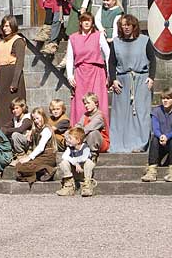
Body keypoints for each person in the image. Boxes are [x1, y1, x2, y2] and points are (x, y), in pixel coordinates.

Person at [109, 14, 156, 153]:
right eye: (123, 25)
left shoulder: (144, 41)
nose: (126, 27)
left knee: (140, 113)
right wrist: (113, 80)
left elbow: (152, 60)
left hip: (141, 81)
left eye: (128, 25)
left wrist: (151, 78)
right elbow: (111, 63)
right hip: (122, 82)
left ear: (134, 26)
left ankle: (140, 143)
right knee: (121, 115)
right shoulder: (116, 42)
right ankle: (120, 144)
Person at [65, 10, 111, 127]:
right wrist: (70, 75)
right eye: (83, 21)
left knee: (98, 102)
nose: (86, 23)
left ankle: (101, 134)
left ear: (92, 22)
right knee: (81, 104)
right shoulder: (73, 38)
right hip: (80, 74)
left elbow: (108, 54)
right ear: (80, 23)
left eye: (88, 20)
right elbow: (70, 58)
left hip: (97, 73)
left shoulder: (98, 36)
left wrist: (109, 74)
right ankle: (79, 133)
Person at [142, 87, 172, 183]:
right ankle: (151, 171)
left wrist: (167, 136)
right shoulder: (156, 111)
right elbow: (155, 128)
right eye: (163, 98)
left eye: (168, 98)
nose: (165, 101)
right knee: (154, 139)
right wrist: (161, 136)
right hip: (161, 141)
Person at [0, 14, 27, 133]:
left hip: (13, 75)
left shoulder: (18, 41)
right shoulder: (2, 42)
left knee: (14, 107)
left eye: (8, 25)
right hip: (3, 75)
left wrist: (15, 82)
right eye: (4, 26)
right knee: (3, 108)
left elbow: (19, 63)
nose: (5, 28)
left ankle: (15, 133)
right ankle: (3, 133)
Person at [12, 107, 57, 184]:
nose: (36, 121)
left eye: (37, 118)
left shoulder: (46, 130)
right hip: (40, 156)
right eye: (34, 119)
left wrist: (29, 157)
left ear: (43, 117)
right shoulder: (36, 130)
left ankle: (48, 169)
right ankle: (40, 173)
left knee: (23, 167)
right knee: (19, 165)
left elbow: (40, 147)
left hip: (47, 156)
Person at [55, 126, 96, 197]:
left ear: (78, 140)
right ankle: (69, 185)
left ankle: (87, 186)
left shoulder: (85, 148)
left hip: (83, 172)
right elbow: (64, 156)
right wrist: (75, 163)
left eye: (70, 138)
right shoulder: (69, 148)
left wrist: (76, 162)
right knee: (64, 162)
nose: (68, 140)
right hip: (73, 172)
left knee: (89, 162)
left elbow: (83, 158)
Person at [79, 92, 109, 156]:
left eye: (88, 103)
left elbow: (89, 128)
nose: (86, 106)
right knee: (70, 132)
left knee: (93, 133)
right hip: (86, 140)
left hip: (100, 143)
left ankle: (93, 154)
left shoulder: (99, 116)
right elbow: (79, 125)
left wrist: (77, 134)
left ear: (96, 103)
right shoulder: (85, 115)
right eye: (85, 104)